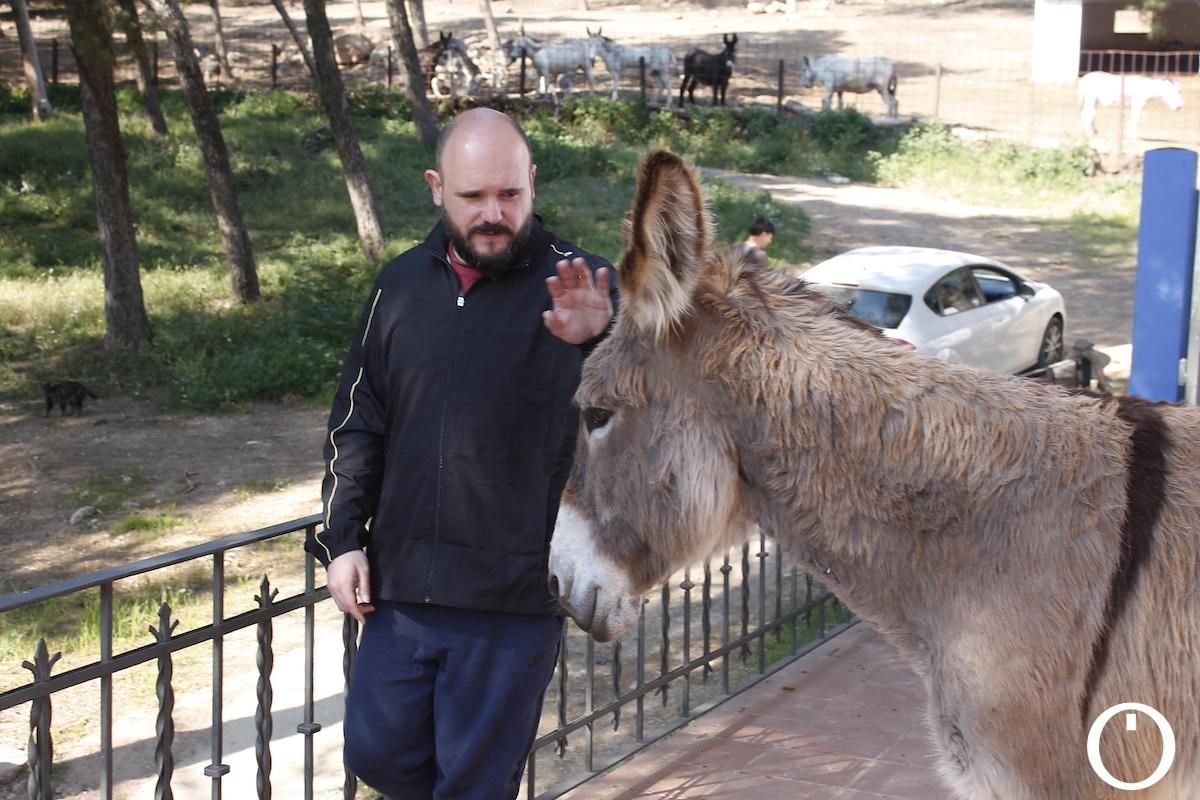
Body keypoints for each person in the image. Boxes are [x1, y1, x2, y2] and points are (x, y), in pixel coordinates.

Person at [306, 107, 617, 799]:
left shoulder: (586, 290)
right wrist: (343, 541)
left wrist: (606, 343)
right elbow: (358, 424)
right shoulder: (399, 286)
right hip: (401, 587)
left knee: (473, 784)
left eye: (509, 194)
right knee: (377, 757)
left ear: (533, 183)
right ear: (435, 188)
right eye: (474, 196)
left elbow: (660, 413)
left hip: (513, 596)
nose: (493, 213)